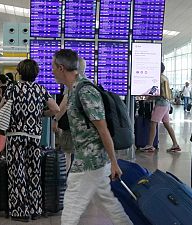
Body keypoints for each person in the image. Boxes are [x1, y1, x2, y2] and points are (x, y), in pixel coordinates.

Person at [52, 49, 132, 225]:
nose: (51, 71)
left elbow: (103, 129)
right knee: (108, 203)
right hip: (92, 159)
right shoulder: (73, 90)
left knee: (72, 202)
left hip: (90, 160)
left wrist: (114, 162)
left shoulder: (85, 91)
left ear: (61, 67)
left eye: (53, 67)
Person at [0, 59, 59, 221]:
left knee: (16, 172)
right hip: (34, 136)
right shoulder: (40, 89)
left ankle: (20, 211)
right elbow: (55, 109)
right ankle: (35, 209)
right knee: (34, 172)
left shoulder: (12, 88)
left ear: (19, 72)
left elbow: (1, 109)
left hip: (15, 136)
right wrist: (40, 113)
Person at [52, 57, 86, 171]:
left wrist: (55, 119)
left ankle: (64, 179)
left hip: (72, 127)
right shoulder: (87, 83)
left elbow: (64, 104)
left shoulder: (73, 84)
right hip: (84, 130)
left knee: (67, 152)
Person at [140, 63, 181, 153]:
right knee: (167, 124)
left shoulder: (158, 78)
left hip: (161, 104)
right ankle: (175, 144)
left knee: (153, 123)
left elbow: (154, 91)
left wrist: (146, 98)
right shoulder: (164, 77)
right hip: (166, 103)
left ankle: (150, 145)